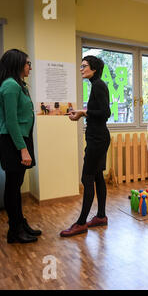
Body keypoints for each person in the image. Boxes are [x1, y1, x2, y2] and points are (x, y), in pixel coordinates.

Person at [60, 56, 111, 237]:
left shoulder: (98, 85)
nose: (81, 69)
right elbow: (98, 112)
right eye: (81, 66)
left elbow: (106, 113)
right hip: (97, 137)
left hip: (98, 139)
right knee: (97, 176)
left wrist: (83, 112)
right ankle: (101, 216)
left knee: (87, 177)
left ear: (94, 68)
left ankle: (81, 223)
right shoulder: (96, 84)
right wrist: (83, 114)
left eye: (84, 66)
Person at [0, 49, 41, 244]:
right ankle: (14, 230)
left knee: (16, 186)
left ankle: (20, 224)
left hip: (21, 140)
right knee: (13, 187)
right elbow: (12, 122)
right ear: (17, 65)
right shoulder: (10, 86)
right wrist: (23, 149)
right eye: (27, 63)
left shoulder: (19, 85)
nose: (30, 67)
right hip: (13, 142)